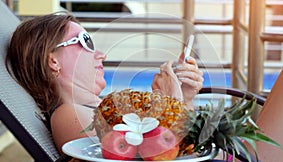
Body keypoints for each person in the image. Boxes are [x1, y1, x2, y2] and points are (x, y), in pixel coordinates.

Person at [5, 13, 204, 153]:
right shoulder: (69, 115)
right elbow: (149, 159)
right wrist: (173, 102)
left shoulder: (102, 108)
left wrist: (185, 99)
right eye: (85, 41)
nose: (101, 55)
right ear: (53, 61)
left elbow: (188, 146)